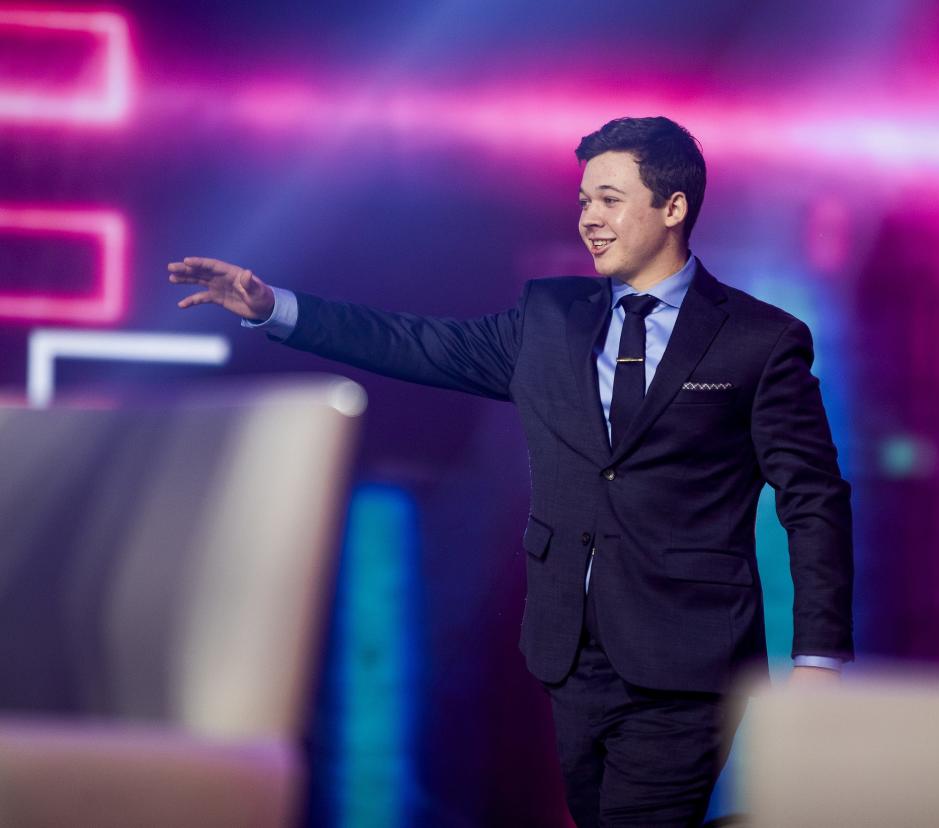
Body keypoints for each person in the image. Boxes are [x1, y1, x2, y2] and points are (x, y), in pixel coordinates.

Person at [170, 115, 853, 827]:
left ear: (673, 207)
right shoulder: (547, 318)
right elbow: (415, 343)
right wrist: (274, 308)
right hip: (570, 656)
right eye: (585, 200)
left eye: (610, 200)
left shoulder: (759, 341)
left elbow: (815, 501)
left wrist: (818, 659)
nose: (590, 218)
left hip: (690, 661)